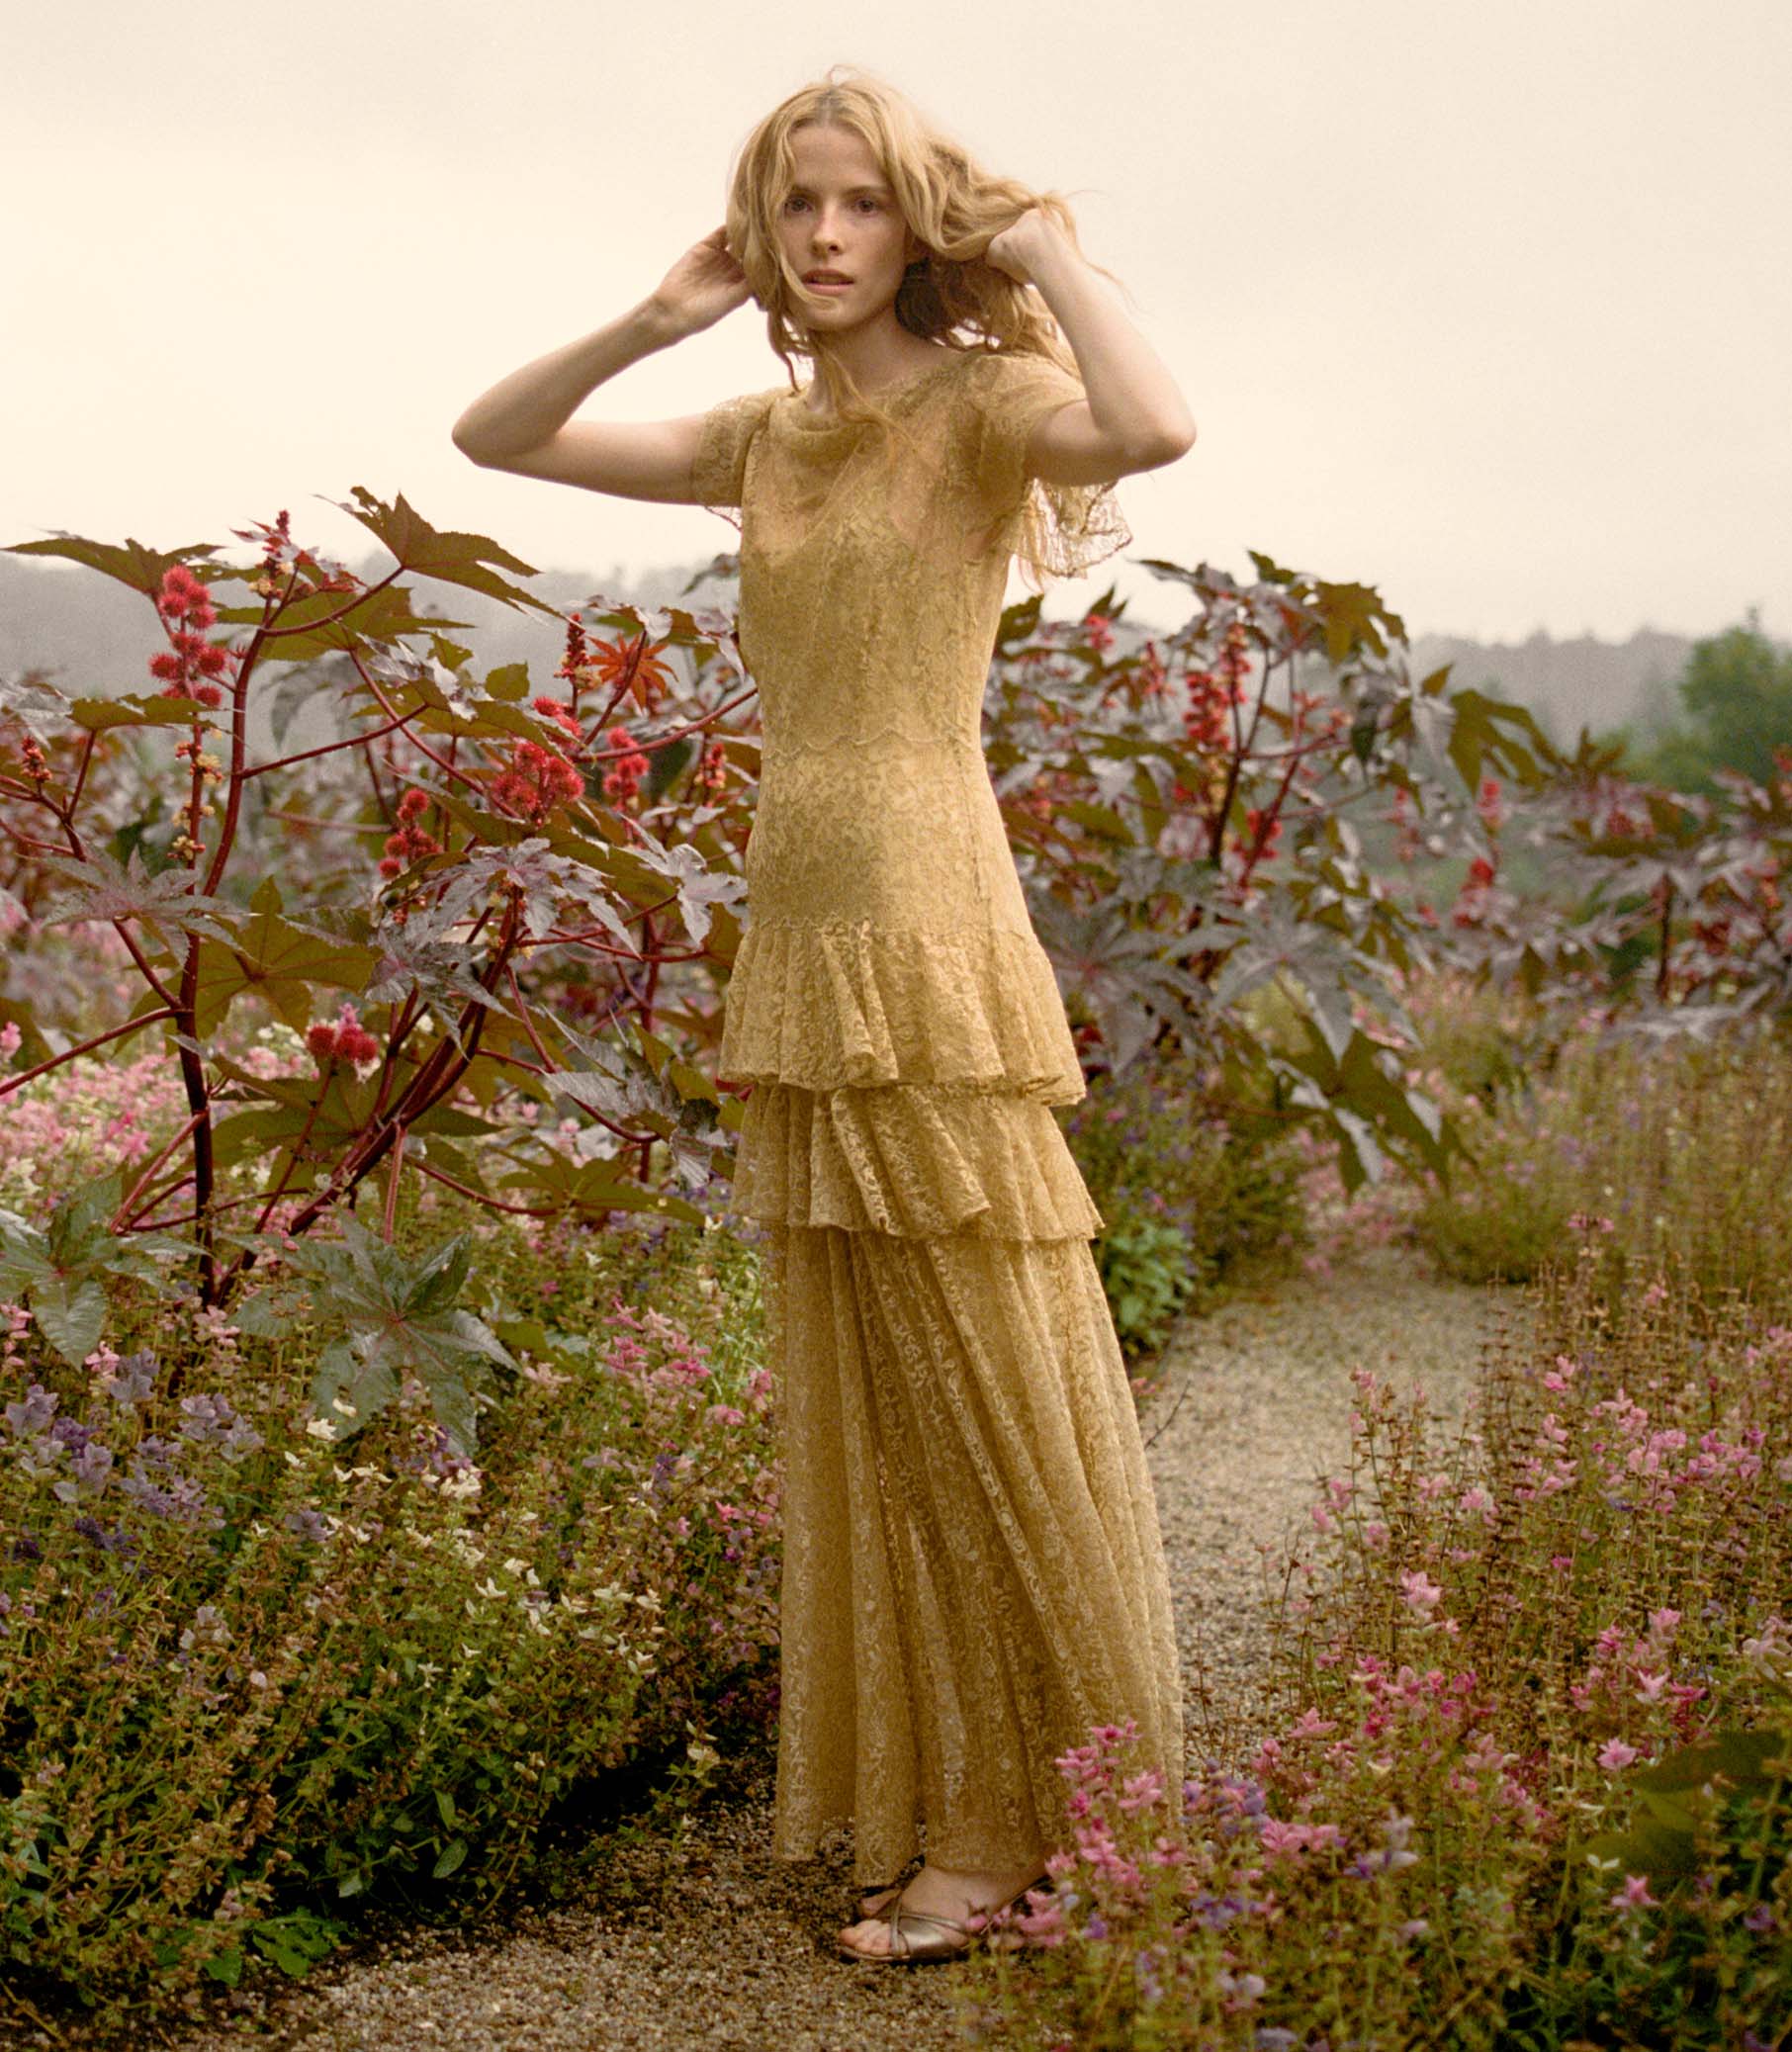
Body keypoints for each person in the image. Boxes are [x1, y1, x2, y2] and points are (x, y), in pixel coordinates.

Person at [452, 65, 1194, 1967]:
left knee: (988, 1371)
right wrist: (654, 312)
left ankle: (1055, 1816)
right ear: (765, 235)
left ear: (918, 224)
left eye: (864, 202)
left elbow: (1157, 426)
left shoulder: (983, 409)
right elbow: (491, 437)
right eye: (800, 207)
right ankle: (975, 1804)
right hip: (804, 919)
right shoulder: (755, 436)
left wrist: (1039, 253)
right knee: (878, 1393)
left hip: (930, 919)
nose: (832, 236)